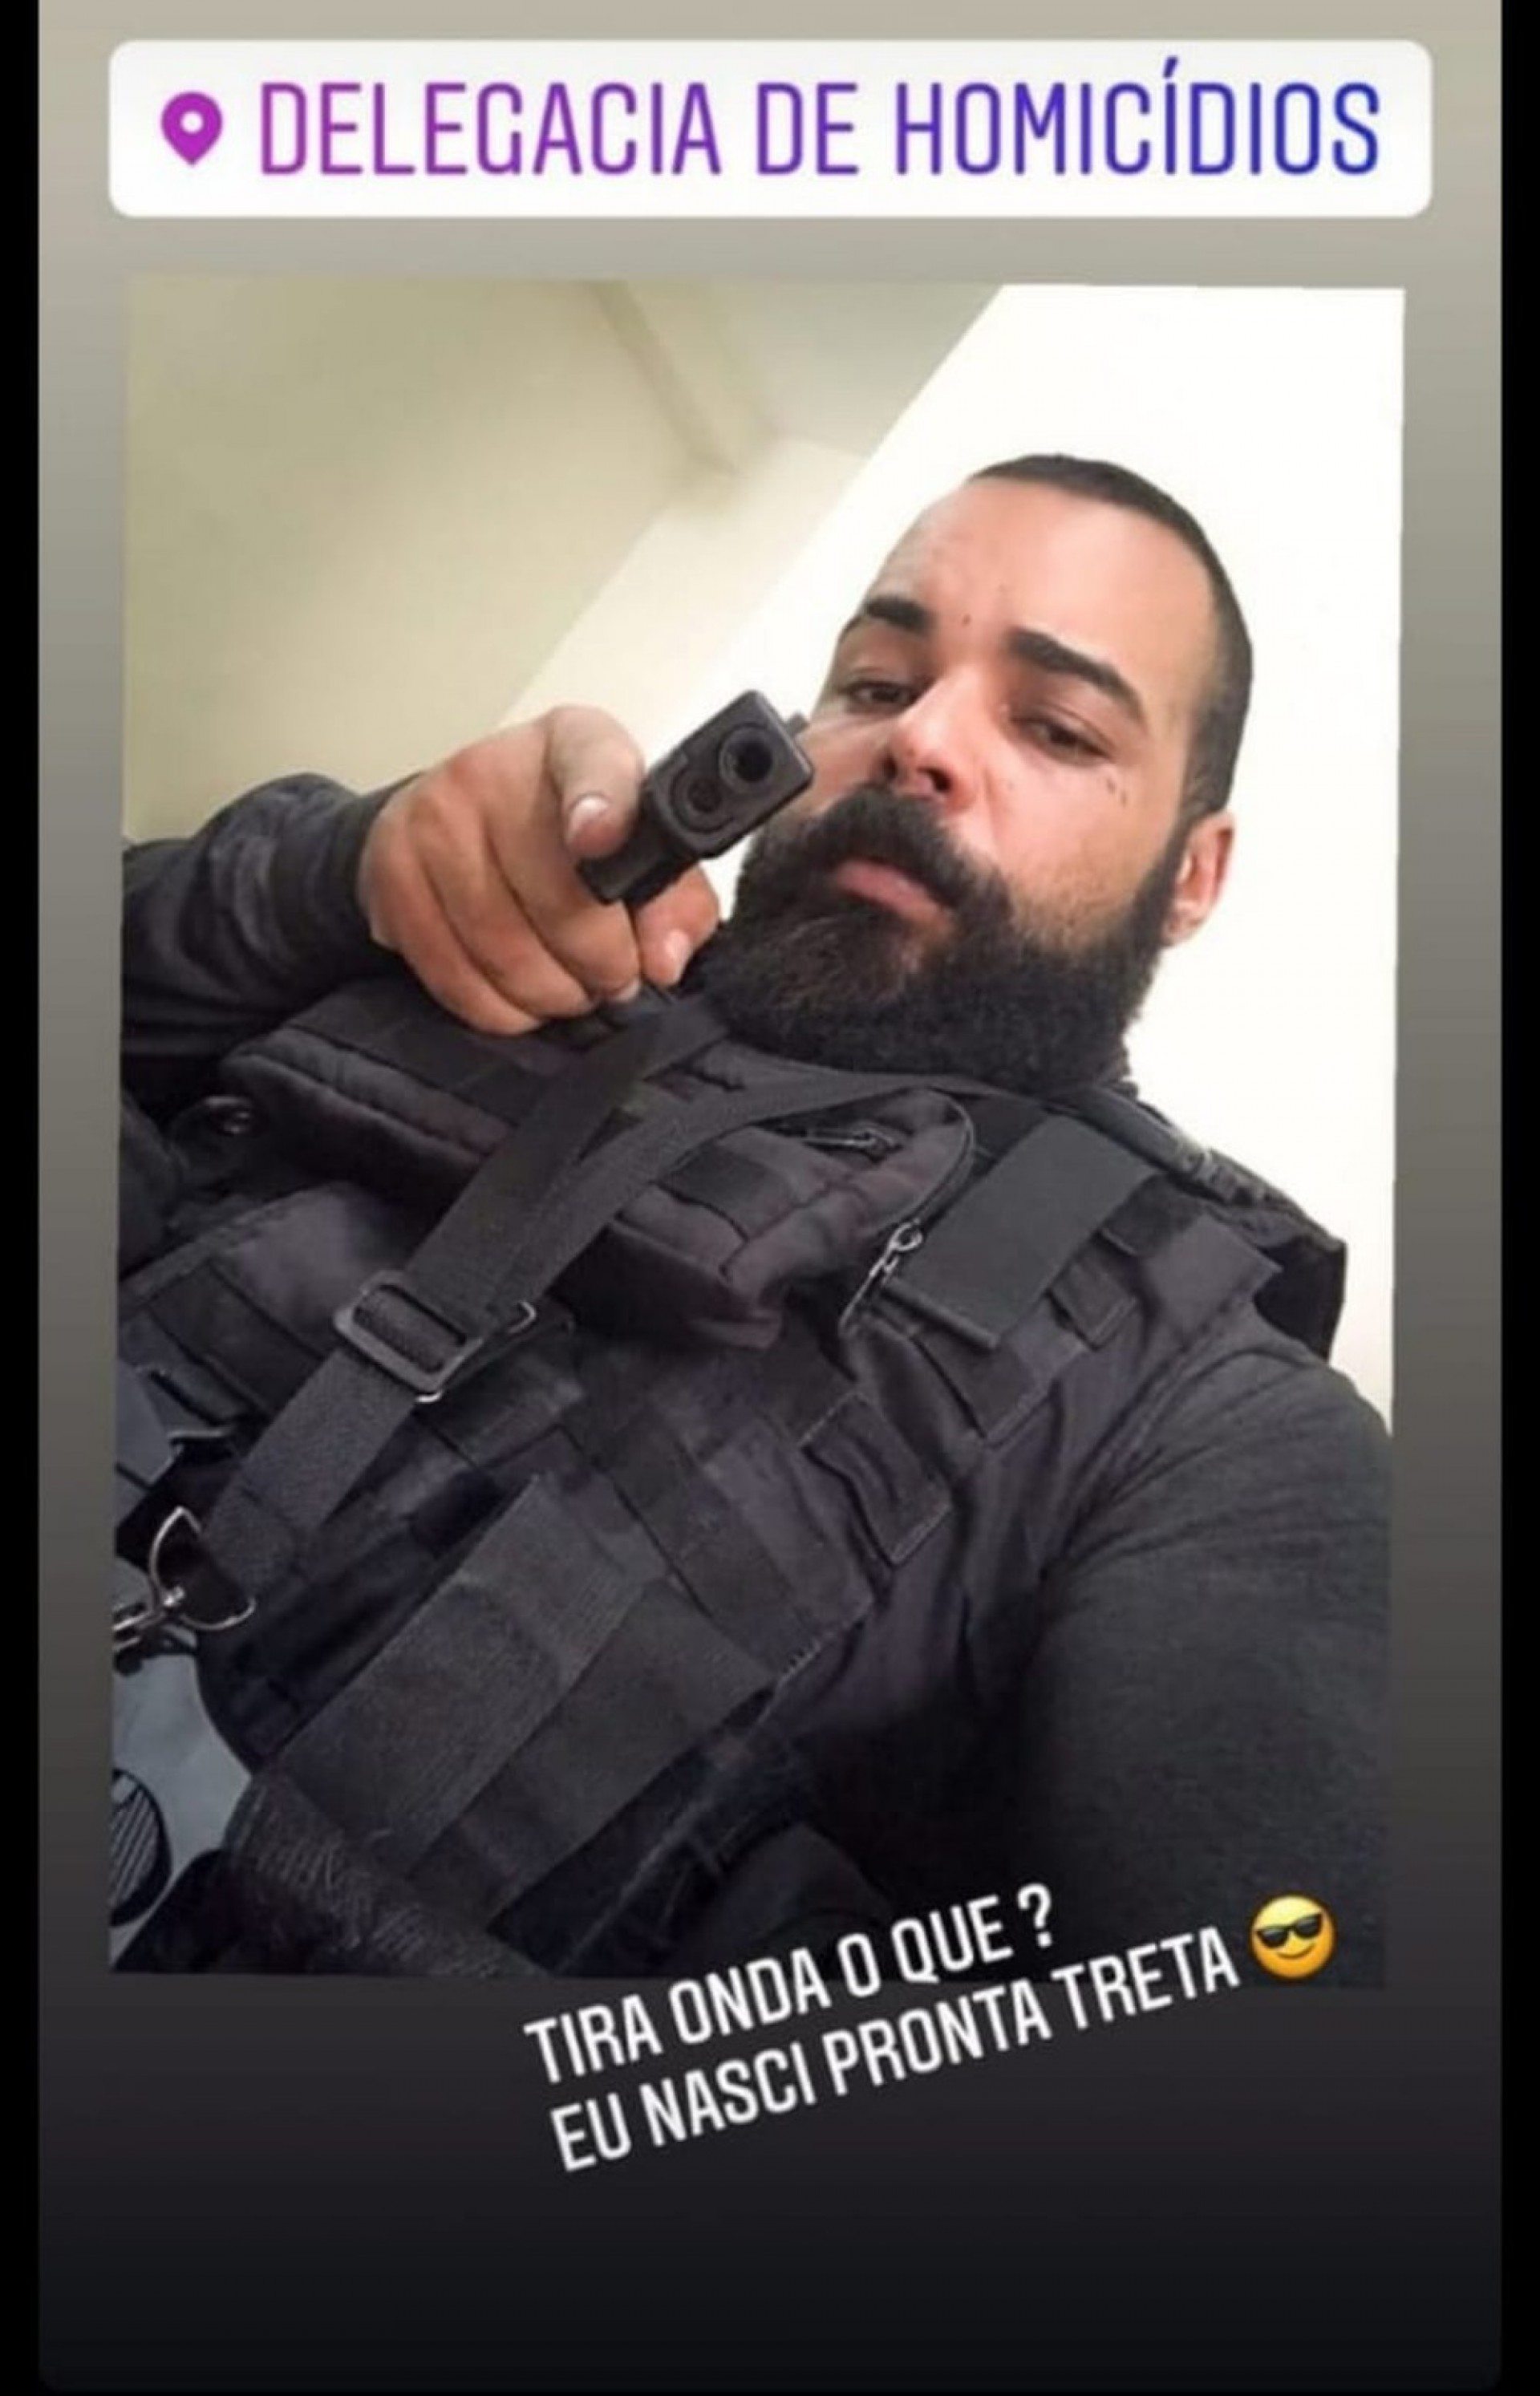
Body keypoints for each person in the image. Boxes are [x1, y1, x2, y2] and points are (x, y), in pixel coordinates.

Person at [113, 455, 1388, 1984]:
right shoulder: (537, 936)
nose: (920, 740)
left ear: (1193, 872)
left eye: (1055, 727)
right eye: (876, 681)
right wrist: (347, 872)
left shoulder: (1211, 1416)